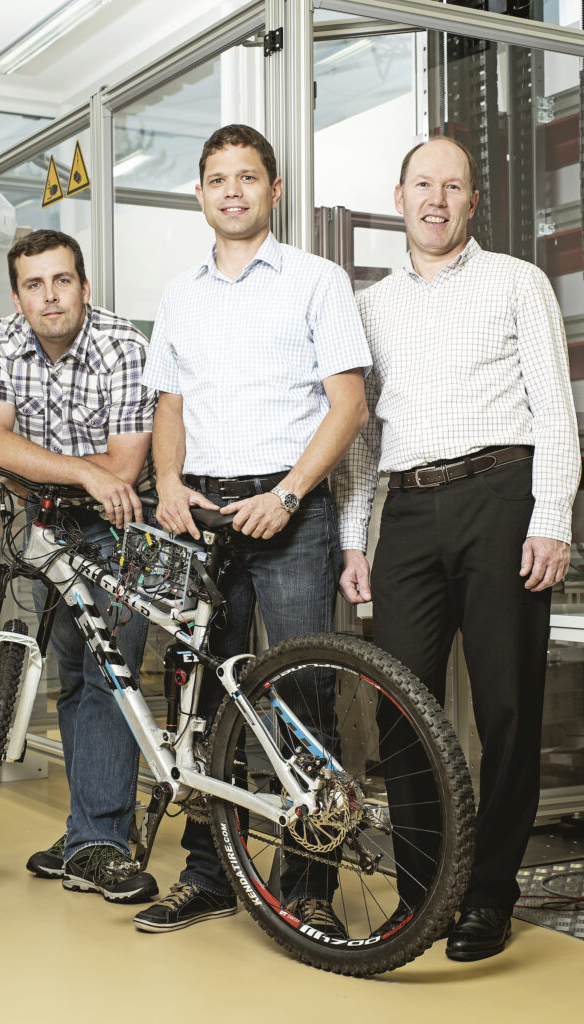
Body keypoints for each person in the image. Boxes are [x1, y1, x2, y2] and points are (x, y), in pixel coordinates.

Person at [334, 137, 581, 962]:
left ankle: (487, 896)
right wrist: (354, 537)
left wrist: (550, 517)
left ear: (472, 202)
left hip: (500, 496)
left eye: (452, 186)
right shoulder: (368, 306)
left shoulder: (517, 281)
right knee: (400, 704)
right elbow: (359, 439)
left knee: (506, 707)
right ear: (398, 197)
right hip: (406, 511)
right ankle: (421, 894)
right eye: (422, 184)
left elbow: (554, 412)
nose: (435, 199)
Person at [131, 124, 371, 936]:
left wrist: (290, 493)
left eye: (246, 177)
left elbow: (348, 406)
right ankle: (209, 874)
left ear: (273, 190)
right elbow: (170, 405)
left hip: (289, 516)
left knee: (304, 698)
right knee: (203, 702)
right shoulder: (180, 295)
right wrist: (168, 482)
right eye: (217, 179)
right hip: (202, 520)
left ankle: (308, 886)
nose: (231, 191)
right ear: (200, 195)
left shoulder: (316, 280)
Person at [0, 228, 159, 904]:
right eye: (34, 284)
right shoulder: (0, 342)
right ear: (17, 296)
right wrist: (72, 472)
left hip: (124, 525)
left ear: (83, 285)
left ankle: (98, 842)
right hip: (53, 523)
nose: (49, 296)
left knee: (111, 677)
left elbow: (123, 469)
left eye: (62, 281)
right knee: (74, 680)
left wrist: (27, 469)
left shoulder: (122, 346)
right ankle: (90, 829)